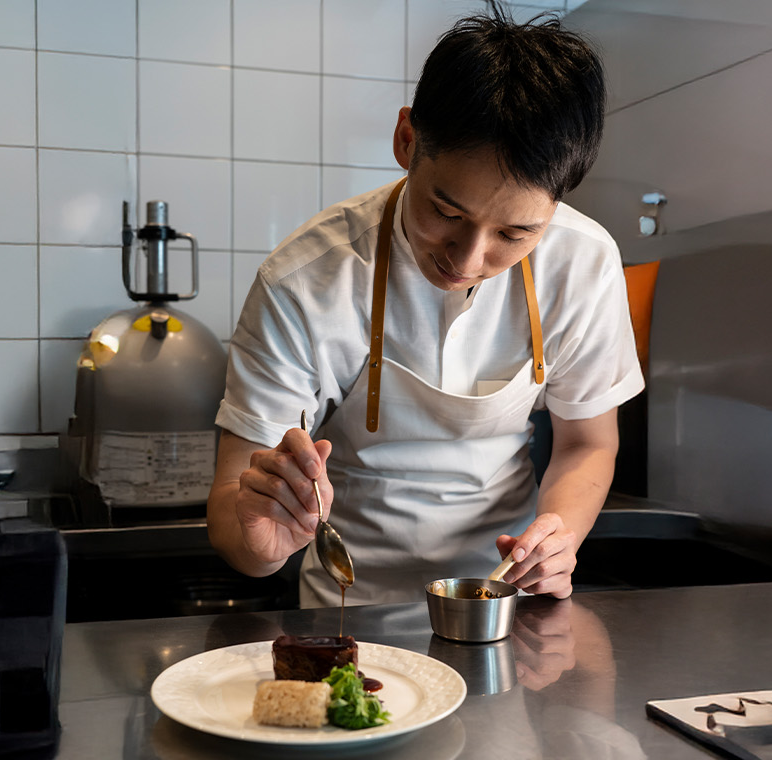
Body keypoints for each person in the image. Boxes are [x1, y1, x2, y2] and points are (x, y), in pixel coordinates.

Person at [207, 2, 643, 608]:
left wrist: (557, 537)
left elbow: (587, 443)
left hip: (505, 605)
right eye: (447, 212)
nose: (467, 259)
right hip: (352, 608)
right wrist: (261, 541)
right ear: (407, 140)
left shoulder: (583, 262)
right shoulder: (305, 280)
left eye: (514, 235)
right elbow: (235, 503)